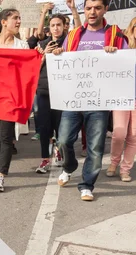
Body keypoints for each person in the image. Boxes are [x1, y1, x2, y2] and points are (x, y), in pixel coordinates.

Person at [53, 0, 128, 201]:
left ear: (105, 9)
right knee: (62, 140)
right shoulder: (74, 34)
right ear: (83, 10)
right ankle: (69, 166)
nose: (92, 12)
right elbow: (66, 61)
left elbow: (128, 65)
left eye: (97, 8)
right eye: (88, 8)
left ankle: (86, 184)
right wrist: (59, 54)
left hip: (99, 103)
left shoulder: (116, 35)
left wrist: (117, 55)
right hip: (74, 99)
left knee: (95, 147)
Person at [0, 9, 29, 193]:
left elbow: (27, 71)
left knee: (6, 137)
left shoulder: (22, 45)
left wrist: (39, 57)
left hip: (10, 99)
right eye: (15, 18)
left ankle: (1, 176)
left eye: (19, 18)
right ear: (3, 21)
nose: (18, 21)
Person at [34, 13, 68, 173]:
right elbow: (33, 69)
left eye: (59, 25)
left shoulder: (70, 42)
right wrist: (44, 55)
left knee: (60, 128)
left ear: (64, 26)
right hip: (43, 91)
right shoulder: (42, 45)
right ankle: (45, 159)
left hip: (62, 92)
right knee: (44, 128)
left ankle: (59, 153)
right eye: (53, 25)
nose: (56, 28)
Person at [107, 16, 136, 183]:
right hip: (121, 96)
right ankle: (114, 162)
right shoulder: (123, 47)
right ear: (132, 29)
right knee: (119, 133)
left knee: (134, 136)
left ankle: (125, 169)